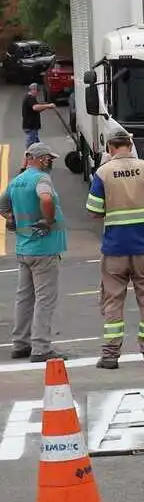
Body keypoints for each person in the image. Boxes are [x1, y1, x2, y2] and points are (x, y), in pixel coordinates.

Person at [85, 132, 144, 369]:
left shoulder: (103, 173)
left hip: (114, 248)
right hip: (143, 246)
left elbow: (93, 210)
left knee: (113, 301)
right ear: (130, 145)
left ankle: (110, 355)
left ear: (110, 147)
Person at [1, 143, 67, 362]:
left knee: (24, 298)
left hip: (24, 247)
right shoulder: (41, 179)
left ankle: (20, 343)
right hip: (44, 248)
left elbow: (2, 205)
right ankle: (41, 347)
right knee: (45, 299)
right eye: (50, 159)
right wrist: (48, 220)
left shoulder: (17, 181)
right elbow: (46, 198)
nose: (51, 163)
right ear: (41, 159)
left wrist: (12, 220)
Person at [22, 84, 55, 149]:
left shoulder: (31, 98)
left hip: (32, 126)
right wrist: (48, 106)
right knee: (31, 145)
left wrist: (46, 107)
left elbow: (36, 110)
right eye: (37, 91)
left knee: (37, 146)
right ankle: (29, 157)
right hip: (31, 126)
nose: (37, 93)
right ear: (33, 90)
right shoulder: (30, 98)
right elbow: (35, 107)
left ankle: (38, 156)